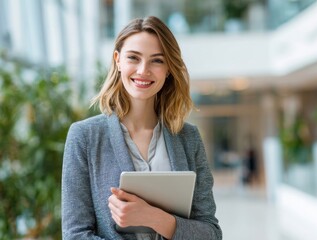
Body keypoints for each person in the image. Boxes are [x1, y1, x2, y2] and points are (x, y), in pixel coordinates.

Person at [61, 16, 222, 240]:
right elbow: (75, 235)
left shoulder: (188, 138)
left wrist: (153, 217)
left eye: (157, 60)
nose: (143, 70)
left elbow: (211, 233)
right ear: (118, 60)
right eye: (133, 58)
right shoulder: (85, 137)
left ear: (168, 69)